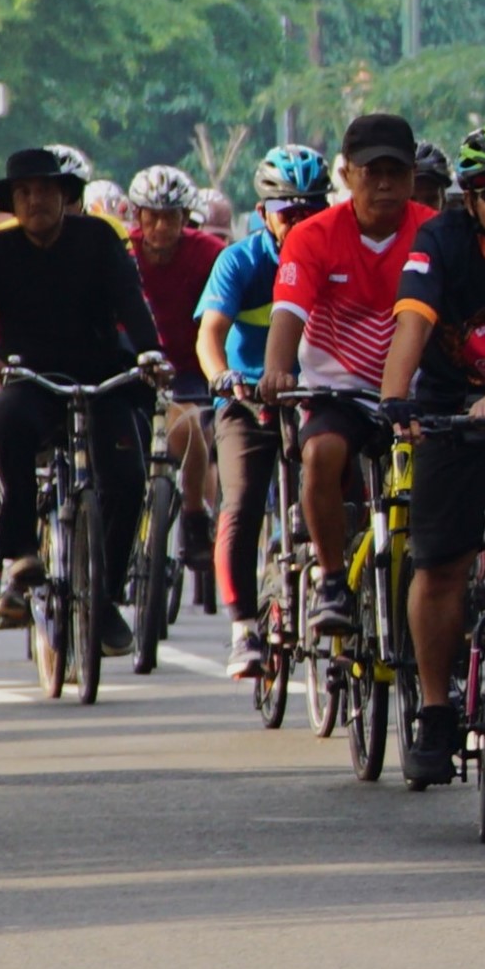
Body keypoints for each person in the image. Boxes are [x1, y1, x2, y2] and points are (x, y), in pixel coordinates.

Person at [375, 124, 485, 793]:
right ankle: (436, 709)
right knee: (438, 562)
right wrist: (397, 402)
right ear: (467, 200)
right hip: (451, 406)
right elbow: (413, 323)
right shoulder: (439, 242)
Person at [260, 115, 428, 653]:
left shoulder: (432, 230)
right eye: (371, 171)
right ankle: (333, 580)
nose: (383, 184)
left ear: (411, 177)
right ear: (347, 173)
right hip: (339, 391)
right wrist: (277, 371)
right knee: (322, 456)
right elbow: (287, 313)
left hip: (417, 395)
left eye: (395, 173)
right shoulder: (313, 237)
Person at [0, 145, 168, 639]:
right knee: (4, 419)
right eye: (23, 193)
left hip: (99, 378)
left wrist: (151, 353)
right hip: (30, 378)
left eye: (44, 190)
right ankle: (20, 554)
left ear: (64, 194)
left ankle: (105, 597)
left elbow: (131, 301)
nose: (34, 201)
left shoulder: (97, 239)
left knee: (128, 478)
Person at [199, 143, 327, 675]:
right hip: (247, 398)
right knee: (243, 499)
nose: (298, 225)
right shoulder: (241, 261)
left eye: (309, 212)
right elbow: (210, 334)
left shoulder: (333, 254)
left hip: (316, 394)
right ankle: (244, 630)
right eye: (286, 214)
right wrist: (221, 378)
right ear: (263, 216)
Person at [122, 166, 222, 608]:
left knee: (191, 430)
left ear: (187, 218)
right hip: (133, 363)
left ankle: (196, 518)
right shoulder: (122, 252)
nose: (161, 227)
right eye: (152, 217)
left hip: (188, 367)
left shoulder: (209, 254)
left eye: (171, 217)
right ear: (137, 216)